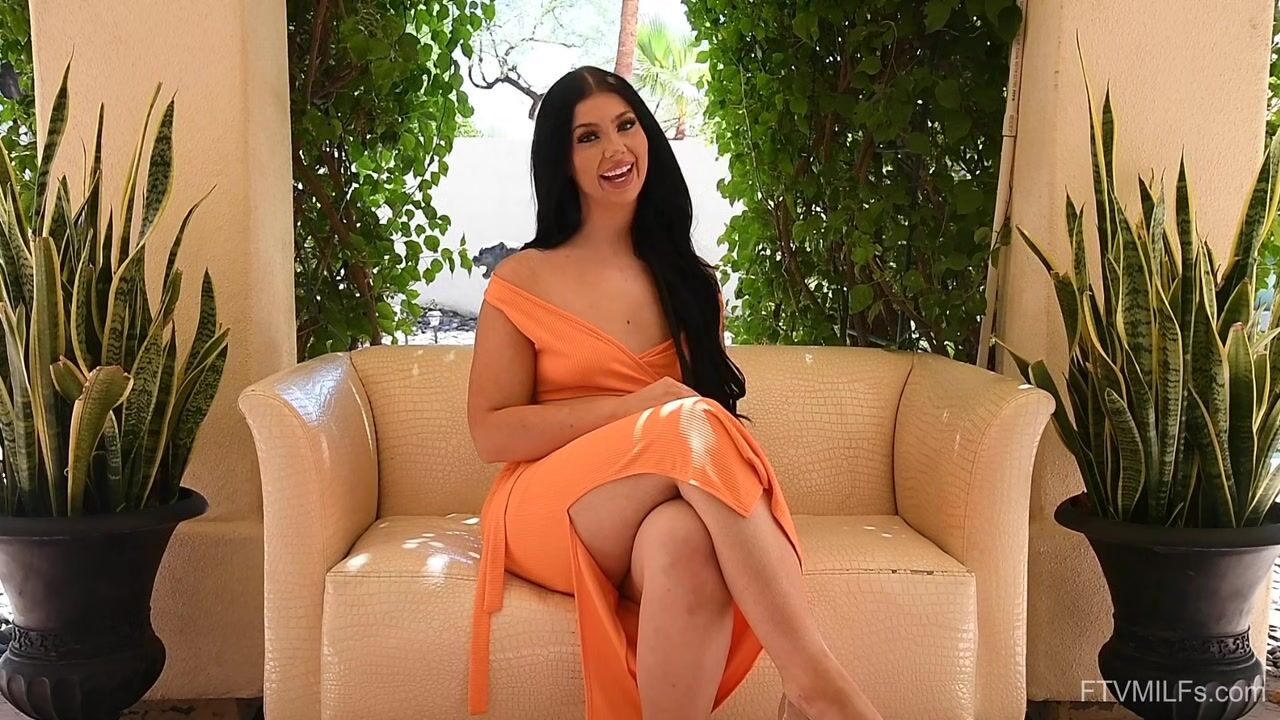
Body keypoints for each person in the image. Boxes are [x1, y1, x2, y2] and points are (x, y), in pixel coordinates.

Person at [466, 66, 883, 720]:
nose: (615, 148)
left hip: (649, 500)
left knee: (685, 541)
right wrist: (634, 410)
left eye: (626, 125)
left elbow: (697, 450)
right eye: (587, 136)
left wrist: (665, 417)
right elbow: (491, 432)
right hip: (546, 507)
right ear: (560, 160)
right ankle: (816, 686)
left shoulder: (691, 283)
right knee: (691, 422)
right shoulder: (524, 277)